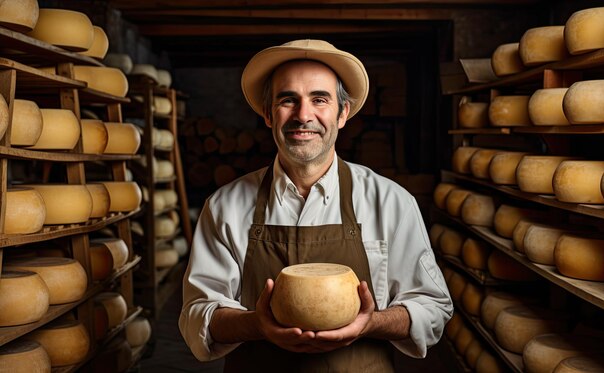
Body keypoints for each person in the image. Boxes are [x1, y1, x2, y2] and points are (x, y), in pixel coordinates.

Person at [179, 39, 453, 372]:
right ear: (268, 114)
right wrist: (257, 325)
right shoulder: (226, 206)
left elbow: (432, 307)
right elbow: (197, 314)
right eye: (287, 100)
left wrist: (370, 323)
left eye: (319, 99)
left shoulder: (391, 202)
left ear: (342, 113)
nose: (303, 115)